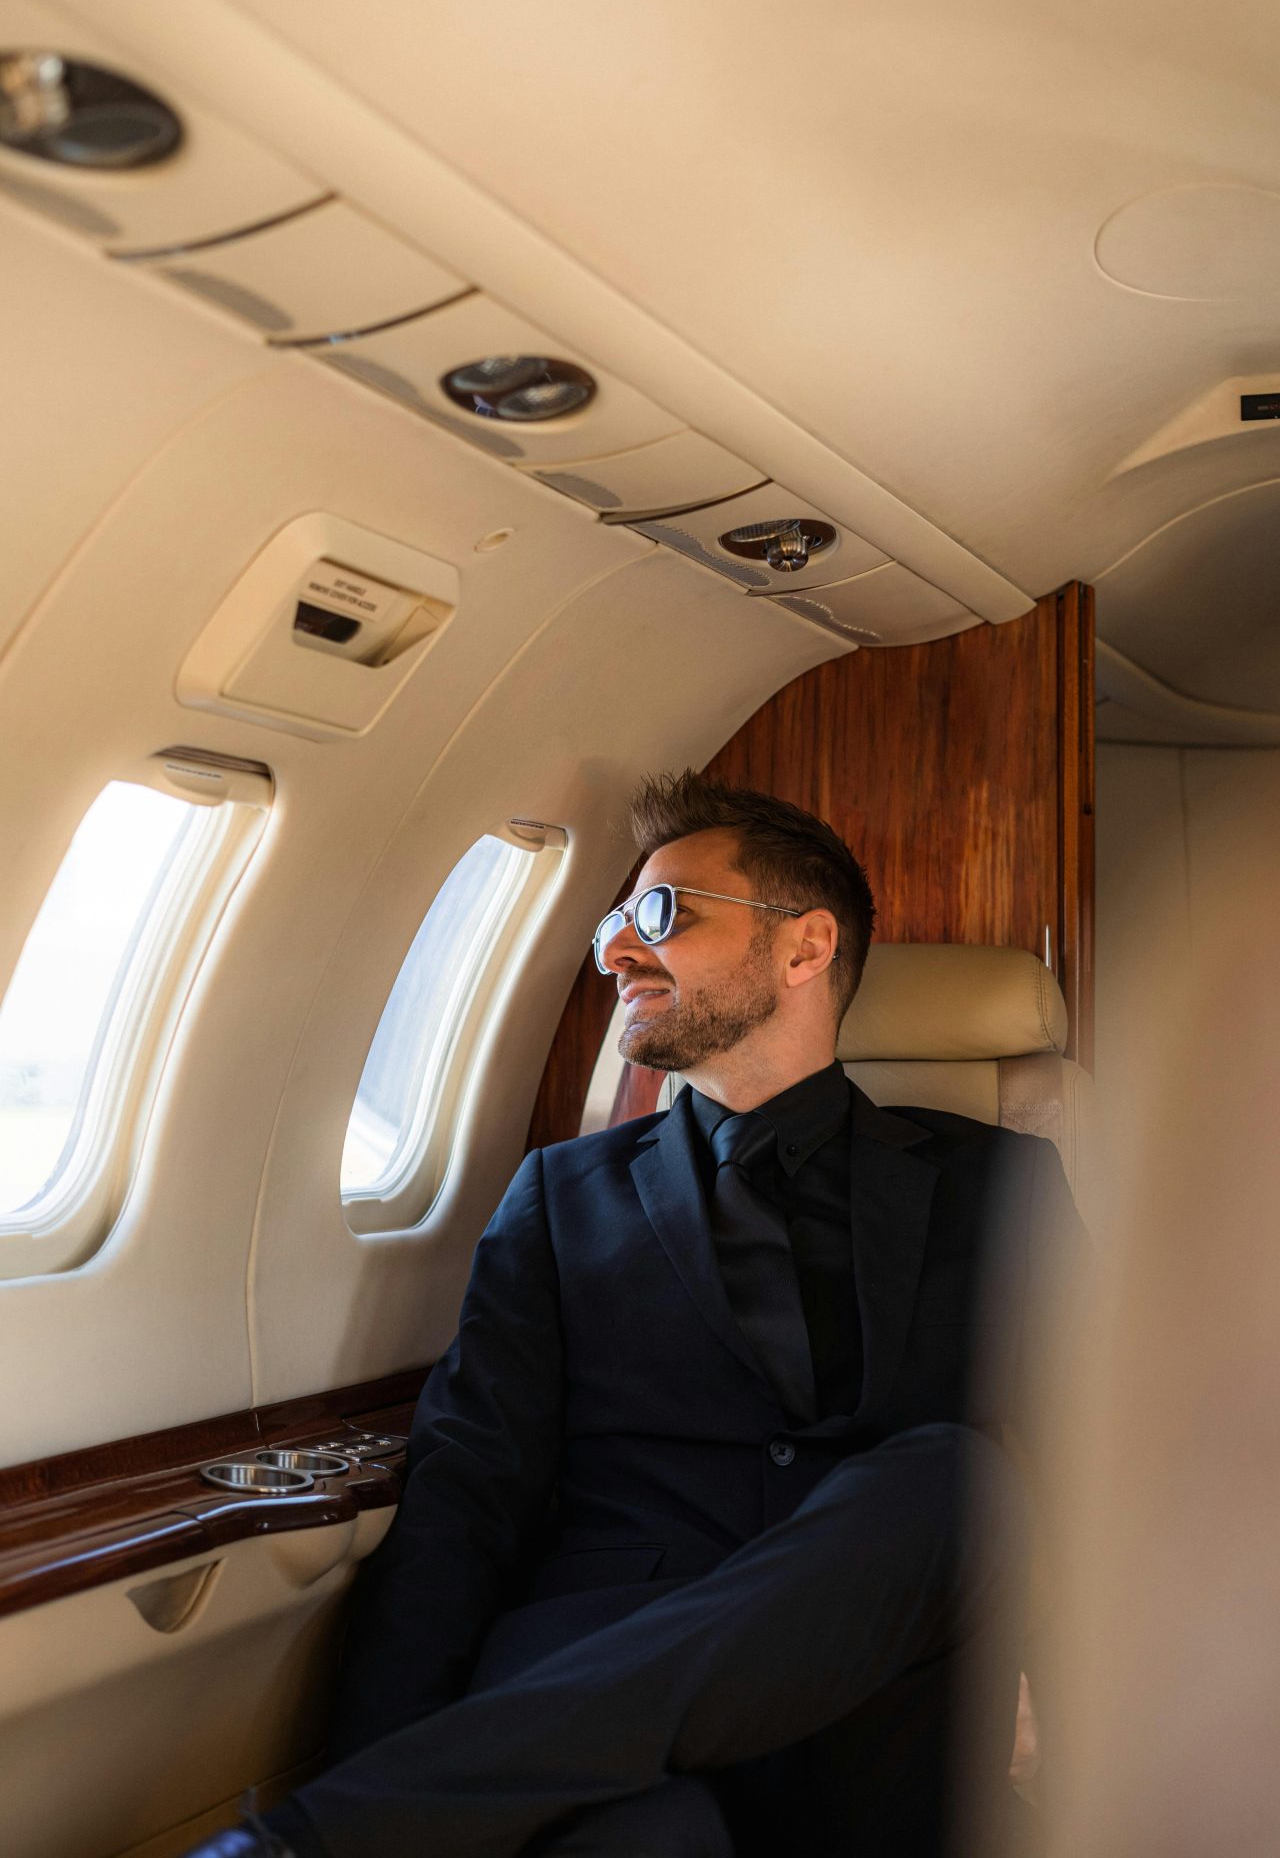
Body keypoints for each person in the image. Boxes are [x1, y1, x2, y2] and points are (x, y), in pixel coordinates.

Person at [191, 773, 1086, 1858]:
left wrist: (1084, 1701)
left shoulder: (997, 1184)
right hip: (592, 1675)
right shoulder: (558, 1197)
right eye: (615, 922)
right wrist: (372, 1769)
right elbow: (461, 1509)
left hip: (875, 1701)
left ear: (804, 947)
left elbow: (1112, 1473)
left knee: (955, 1479)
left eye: (660, 915)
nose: (613, 951)